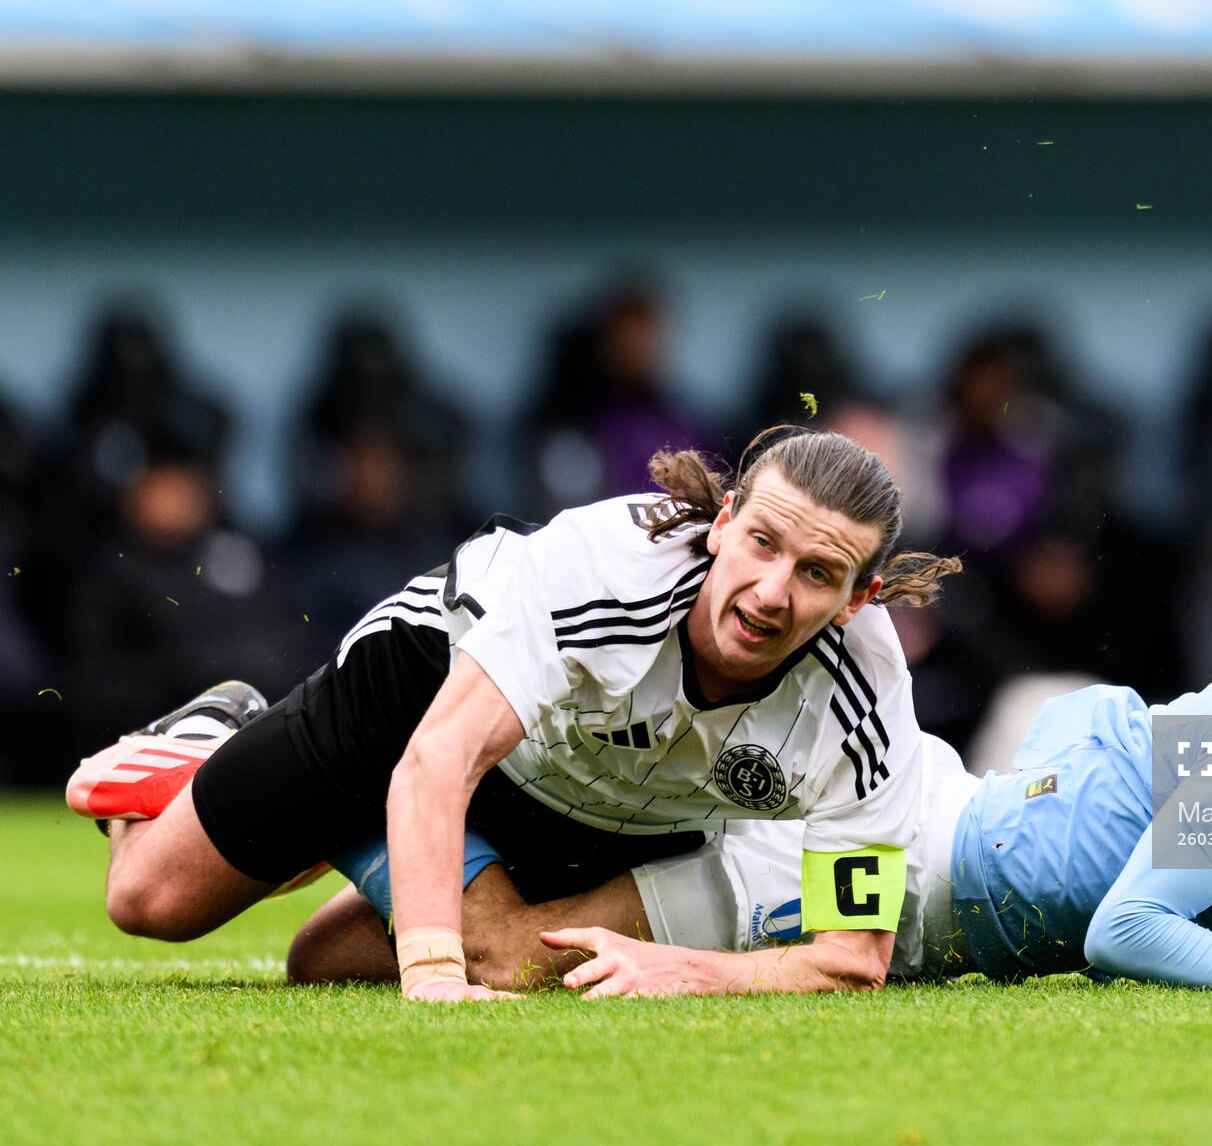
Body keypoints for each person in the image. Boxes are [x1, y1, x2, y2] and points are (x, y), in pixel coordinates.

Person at [285, 558, 1212, 995]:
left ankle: (345, 835)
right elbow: (1128, 933)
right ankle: (327, 777)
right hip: (903, 868)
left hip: (948, 826)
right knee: (490, 956)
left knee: (321, 970)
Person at [67, 428, 959, 1001]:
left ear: (859, 597)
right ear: (723, 523)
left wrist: (686, 971)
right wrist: (432, 975)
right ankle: (208, 737)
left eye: (817, 573)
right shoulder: (606, 569)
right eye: (763, 543)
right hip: (420, 700)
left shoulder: (867, 699)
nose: (771, 593)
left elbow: (852, 958)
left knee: (323, 967)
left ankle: (351, 833)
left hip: (616, 807)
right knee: (151, 901)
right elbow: (437, 759)